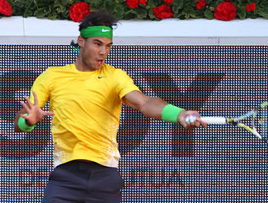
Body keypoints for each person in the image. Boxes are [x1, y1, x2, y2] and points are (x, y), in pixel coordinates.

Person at [14, 11, 206, 202]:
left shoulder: (115, 76)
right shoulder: (52, 76)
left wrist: (179, 114)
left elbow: (144, 102)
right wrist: (28, 122)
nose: (103, 52)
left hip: (105, 178)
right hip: (65, 177)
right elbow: (21, 119)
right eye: (97, 44)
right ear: (81, 41)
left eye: (108, 46)